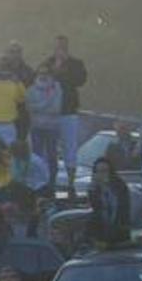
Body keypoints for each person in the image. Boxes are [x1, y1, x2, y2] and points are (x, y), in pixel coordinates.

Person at [37, 36, 88, 192]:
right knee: (47, 148)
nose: (60, 48)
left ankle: (71, 183)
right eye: (58, 45)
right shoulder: (46, 63)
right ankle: (46, 181)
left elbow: (81, 80)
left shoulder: (76, 64)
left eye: (63, 46)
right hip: (49, 113)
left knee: (70, 147)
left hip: (68, 111)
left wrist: (66, 68)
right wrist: (55, 69)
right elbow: (38, 80)